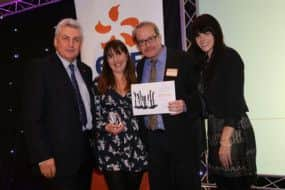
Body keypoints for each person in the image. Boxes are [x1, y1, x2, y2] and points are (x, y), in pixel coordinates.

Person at [21, 18, 94, 190]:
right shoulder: (40, 68)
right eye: (65, 38)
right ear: (55, 41)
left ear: (81, 43)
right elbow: (32, 117)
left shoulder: (86, 70)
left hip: (86, 156)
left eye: (76, 39)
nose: (71, 44)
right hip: (57, 160)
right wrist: (42, 156)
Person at [189, 14, 257, 190]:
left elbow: (235, 101)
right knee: (223, 184)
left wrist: (225, 140)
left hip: (232, 129)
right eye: (197, 35)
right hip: (214, 130)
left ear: (216, 33)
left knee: (235, 184)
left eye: (206, 33)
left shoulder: (229, 57)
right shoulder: (202, 63)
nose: (202, 39)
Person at [132, 21, 203, 190]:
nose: (147, 45)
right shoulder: (141, 65)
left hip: (181, 139)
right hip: (153, 140)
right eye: (142, 42)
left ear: (159, 36)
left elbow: (200, 95)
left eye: (150, 38)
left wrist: (185, 104)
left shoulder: (183, 59)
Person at [92, 39, 148, 190]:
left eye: (119, 53)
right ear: (106, 61)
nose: (116, 60)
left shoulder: (139, 83)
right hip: (110, 151)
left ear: (126, 56)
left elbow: (147, 117)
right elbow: (94, 119)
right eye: (110, 56)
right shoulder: (98, 85)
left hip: (136, 150)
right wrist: (106, 126)